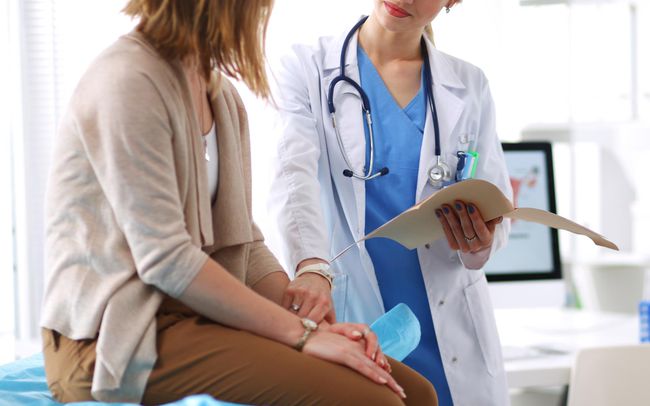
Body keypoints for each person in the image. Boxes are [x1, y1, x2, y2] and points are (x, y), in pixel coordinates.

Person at [39, 1, 438, 405]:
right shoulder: (129, 80)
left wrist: (309, 320)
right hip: (114, 339)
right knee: (378, 401)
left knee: (417, 393)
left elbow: (243, 242)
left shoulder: (220, 95)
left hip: (190, 321)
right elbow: (166, 258)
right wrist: (300, 335)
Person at [269, 1, 513, 405]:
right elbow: (290, 176)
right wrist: (310, 265)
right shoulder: (307, 67)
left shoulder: (469, 86)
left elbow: (496, 204)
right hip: (361, 317)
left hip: (451, 331)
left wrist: (481, 240)